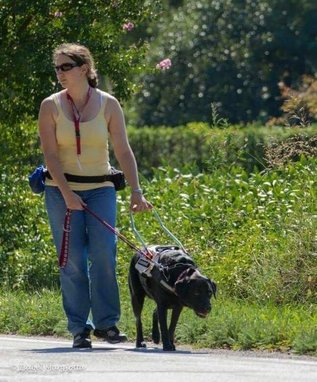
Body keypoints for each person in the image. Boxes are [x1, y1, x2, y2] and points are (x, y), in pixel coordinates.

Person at [38, 43, 152, 349]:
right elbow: (50, 155)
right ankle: (79, 328)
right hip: (60, 190)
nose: (60, 73)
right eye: (57, 68)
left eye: (66, 67)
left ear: (85, 68)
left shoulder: (108, 104)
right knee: (72, 260)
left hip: (100, 187)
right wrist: (67, 194)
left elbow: (123, 150)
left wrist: (136, 191)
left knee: (103, 253)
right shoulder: (50, 105)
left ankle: (107, 324)